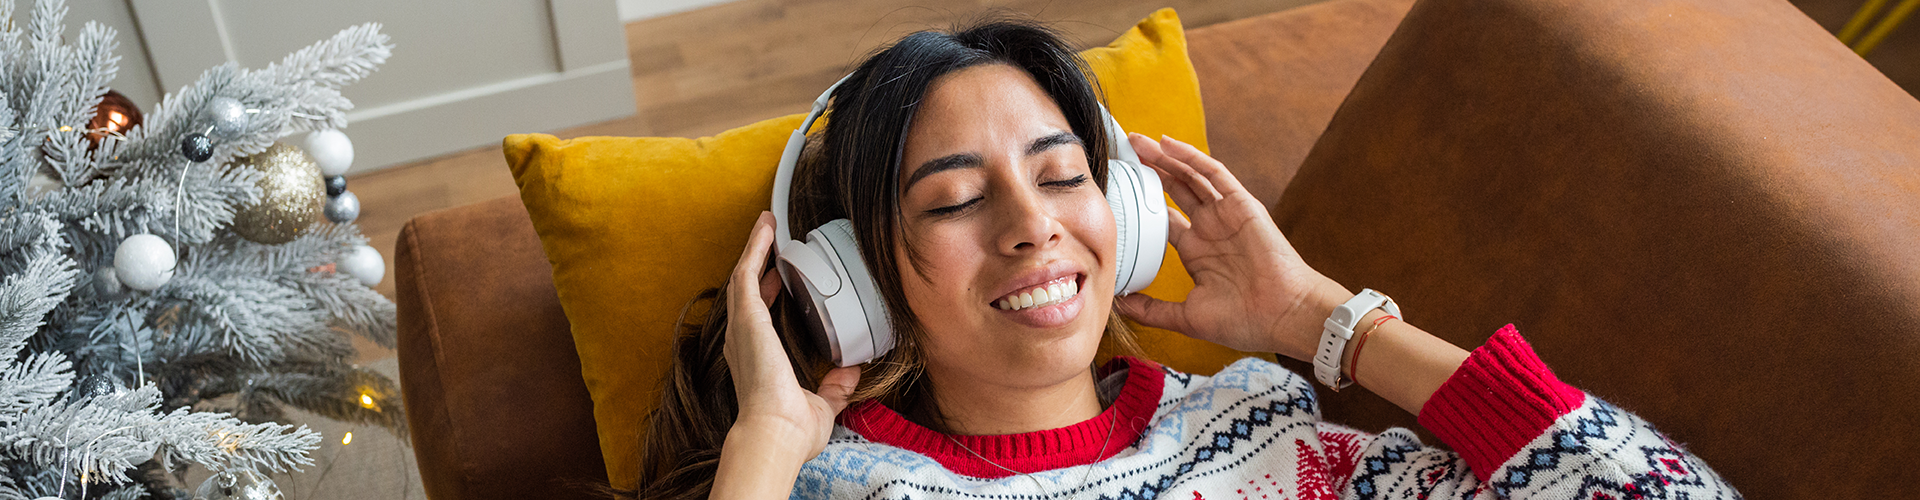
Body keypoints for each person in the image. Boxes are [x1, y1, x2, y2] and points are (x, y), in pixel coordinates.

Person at [631, 17, 1740, 500]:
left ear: (1123, 212)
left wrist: (1328, 323)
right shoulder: (838, 482)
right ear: (863, 284)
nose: (1032, 224)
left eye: (1063, 174)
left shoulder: (1263, 429)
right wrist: (768, 443)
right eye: (959, 198)